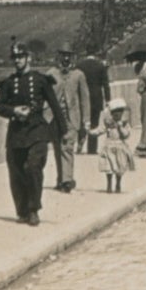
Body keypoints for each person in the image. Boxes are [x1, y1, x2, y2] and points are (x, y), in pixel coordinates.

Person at [0, 42, 69, 225]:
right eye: (15, 58)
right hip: (16, 133)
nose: (18, 61)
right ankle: (22, 211)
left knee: (33, 167)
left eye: (21, 57)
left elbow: (54, 105)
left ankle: (34, 209)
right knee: (17, 172)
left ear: (28, 58)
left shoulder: (40, 80)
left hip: (37, 130)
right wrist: (14, 111)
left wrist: (64, 130)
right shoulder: (9, 83)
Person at [50, 45, 91, 191]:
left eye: (69, 55)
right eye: (63, 55)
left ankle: (67, 180)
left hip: (71, 118)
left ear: (73, 57)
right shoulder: (52, 74)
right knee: (57, 148)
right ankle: (60, 178)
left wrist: (86, 120)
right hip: (55, 118)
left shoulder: (78, 75)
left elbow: (85, 99)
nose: (66, 58)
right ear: (59, 56)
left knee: (67, 147)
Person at [98, 98, 136, 191]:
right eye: (115, 113)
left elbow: (126, 135)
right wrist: (91, 132)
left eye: (119, 112)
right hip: (109, 146)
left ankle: (118, 183)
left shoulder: (124, 124)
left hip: (120, 147)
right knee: (109, 166)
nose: (117, 115)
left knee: (120, 167)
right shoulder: (109, 124)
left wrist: (120, 127)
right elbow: (101, 130)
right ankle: (109, 184)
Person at [77, 52, 112, 154]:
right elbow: (106, 84)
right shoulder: (100, 65)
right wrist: (108, 99)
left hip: (83, 98)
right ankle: (92, 149)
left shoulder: (80, 65)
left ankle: (80, 142)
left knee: (82, 121)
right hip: (97, 98)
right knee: (94, 123)